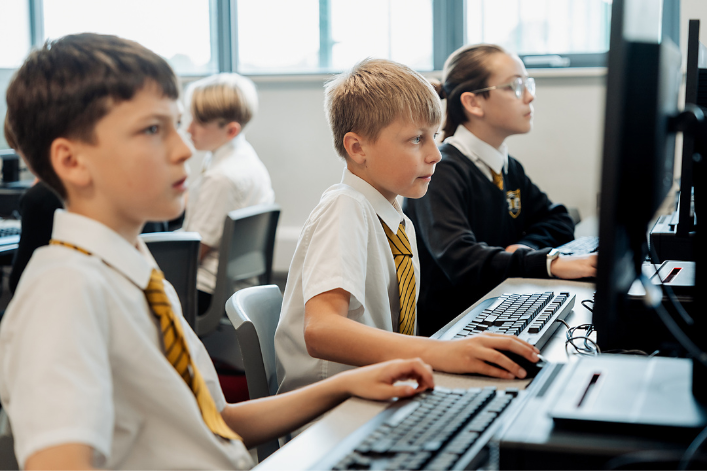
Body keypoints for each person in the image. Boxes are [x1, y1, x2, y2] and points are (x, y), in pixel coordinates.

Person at [0, 33, 436, 470]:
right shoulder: (64, 293)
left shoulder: (138, 274)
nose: (183, 149)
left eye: (176, 124)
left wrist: (346, 386)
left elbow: (219, 420)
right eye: (153, 129)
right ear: (72, 161)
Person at [274, 58, 541, 395]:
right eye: (416, 139)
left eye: (435, 136)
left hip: (377, 391)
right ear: (358, 148)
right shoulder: (345, 206)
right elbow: (321, 330)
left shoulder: (396, 219)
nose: (436, 154)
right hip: (327, 412)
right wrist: (443, 352)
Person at [403, 44, 597, 336]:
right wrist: (548, 263)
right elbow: (463, 261)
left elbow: (558, 218)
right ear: (474, 103)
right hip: (455, 332)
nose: (530, 96)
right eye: (516, 86)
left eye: (528, 85)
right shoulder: (440, 171)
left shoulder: (507, 167)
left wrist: (524, 248)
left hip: (503, 312)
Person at [183, 73, 275, 315]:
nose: (188, 128)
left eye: (199, 123)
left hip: (204, 289)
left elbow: (195, 249)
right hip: (235, 282)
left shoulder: (221, 178)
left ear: (231, 129)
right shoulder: (245, 158)